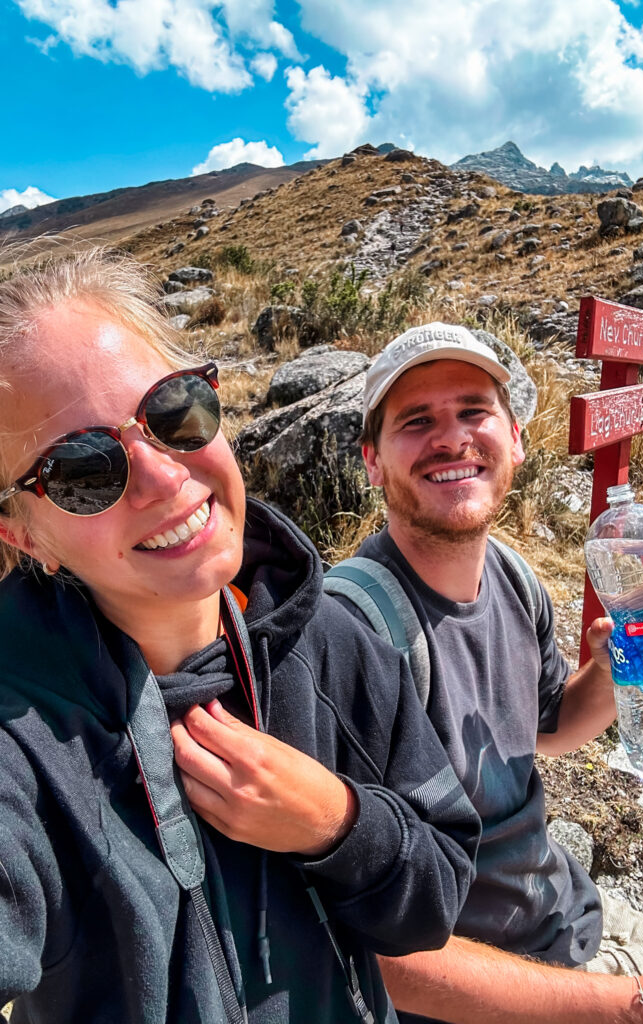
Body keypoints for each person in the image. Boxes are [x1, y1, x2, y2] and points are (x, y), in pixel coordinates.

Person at [0, 259, 480, 1024]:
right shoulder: (22, 739)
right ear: (24, 533)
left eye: (172, 412)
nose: (162, 478)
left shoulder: (331, 642)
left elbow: (435, 901)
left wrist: (336, 823)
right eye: (85, 470)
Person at [323, 322, 643, 1024]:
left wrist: (611, 675)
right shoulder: (352, 632)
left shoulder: (512, 575)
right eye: (416, 421)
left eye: (473, 411)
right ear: (371, 461)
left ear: (514, 439)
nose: (451, 438)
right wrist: (635, 1004)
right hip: (487, 997)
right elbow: (382, 957)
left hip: (569, 927)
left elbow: (546, 728)